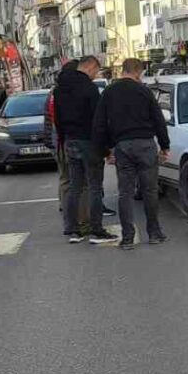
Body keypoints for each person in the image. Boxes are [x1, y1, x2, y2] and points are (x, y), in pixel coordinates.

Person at [92, 58, 170, 250]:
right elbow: (158, 120)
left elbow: (99, 124)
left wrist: (106, 151)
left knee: (125, 193)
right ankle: (154, 233)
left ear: (123, 71)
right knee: (150, 191)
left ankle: (127, 238)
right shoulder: (144, 91)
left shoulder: (109, 92)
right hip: (145, 145)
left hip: (123, 146)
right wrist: (165, 146)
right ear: (137, 72)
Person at [56, 56, 117, 245]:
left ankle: (74, 230)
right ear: (89, 67)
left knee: (75, 187)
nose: (95, 75)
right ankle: (96, 230)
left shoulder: (59, 89)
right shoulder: (90, 88)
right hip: (89, 142)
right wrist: (107, 150)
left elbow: (57, 119)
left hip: (70, 141)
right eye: (95, 71)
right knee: (94, 187)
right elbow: (98, 122)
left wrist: (64, 138)